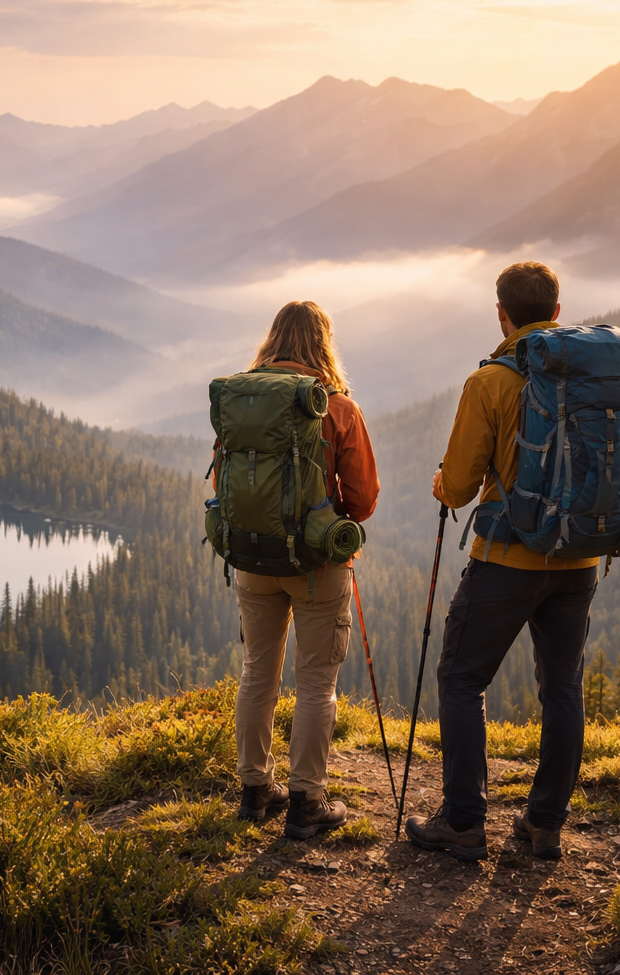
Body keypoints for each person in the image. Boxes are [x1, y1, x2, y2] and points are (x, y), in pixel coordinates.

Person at [404, 262, 599, 862]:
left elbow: (460, 486)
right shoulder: (589, 377)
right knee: (562, 686)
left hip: (509, 558)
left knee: (462, 679)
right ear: (558, 313)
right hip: (578, 555)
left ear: (501, 313)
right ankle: (546, 824)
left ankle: (463, 821)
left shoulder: (490, 381)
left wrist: (442, 482)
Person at [230, 301, 379, 840]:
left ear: (273, 339)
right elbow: (362, 501)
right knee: (316, 681)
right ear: (323, 344)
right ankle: (306, 802)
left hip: (252, 558)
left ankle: (254, 791)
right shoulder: (336, 408)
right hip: (317, 564)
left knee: (257, 672)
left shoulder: (244, 402)